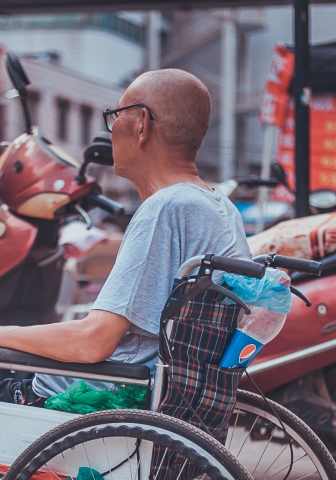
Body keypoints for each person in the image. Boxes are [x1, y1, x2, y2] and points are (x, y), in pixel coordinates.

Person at [0, 68, 251, 406]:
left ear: (141, 123)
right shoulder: (219, 207)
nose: (111, 128)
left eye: (115, 115)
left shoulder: (166, 209)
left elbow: (93, 341)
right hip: (163, 393)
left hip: (95, 398)